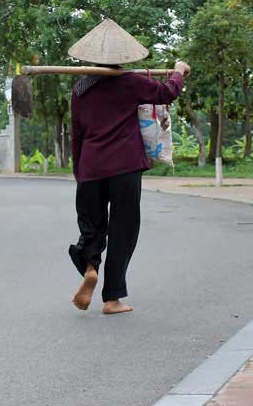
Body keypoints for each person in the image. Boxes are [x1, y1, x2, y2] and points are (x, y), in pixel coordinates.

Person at [66, 19, 190, 314]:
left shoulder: (80, 89)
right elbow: (167, 93)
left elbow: (77, 133)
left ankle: (90, 266)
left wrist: (78, 171)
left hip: (91, 168)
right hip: (125, 168)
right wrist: (179, 71)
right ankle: (112, 299)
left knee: (91, 228)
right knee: (123, 231)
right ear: (122, 57)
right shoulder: (131, 81)